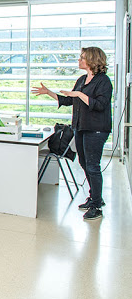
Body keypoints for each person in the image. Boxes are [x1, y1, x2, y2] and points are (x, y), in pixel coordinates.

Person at [32, 47, 112, 220]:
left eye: (82, 58)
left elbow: (100, 105)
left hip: (96, 129)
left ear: (91, 60)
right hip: (81, 128)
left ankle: (97, 206)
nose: (79, 60)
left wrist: (79, 94)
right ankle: (94, 198)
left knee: (93, 166)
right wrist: (49, 93)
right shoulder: (82, 79)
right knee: (84, 163)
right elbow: (69, 99)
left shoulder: (103, 81)